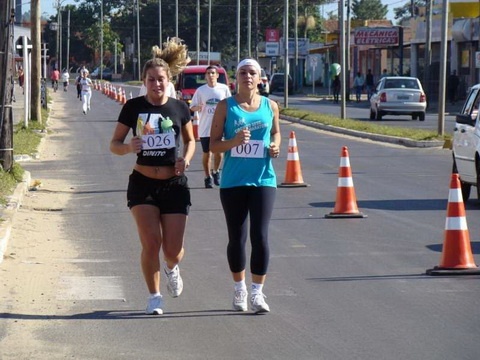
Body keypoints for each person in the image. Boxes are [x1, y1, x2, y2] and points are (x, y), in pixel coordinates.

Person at [109, 37, 194, 316]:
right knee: (151, 243)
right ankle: (154, 296)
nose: (156, 84)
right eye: (151, 80)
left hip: (173, 184)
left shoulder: (179, 108)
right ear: (144, 81)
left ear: (169, 80)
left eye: (161, 79)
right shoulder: (133, 107)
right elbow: (114, 144)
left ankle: (172, 267)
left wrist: (187, 159)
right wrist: (127, 148)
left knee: (172, 250)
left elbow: (190, 141)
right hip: (143, 183)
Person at [210, 58, 281, 314]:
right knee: (237, 238)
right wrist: (234, 141)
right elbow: (213, 145)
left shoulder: (270, 105)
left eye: (252, 73)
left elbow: (275, 132)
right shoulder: (225, 107)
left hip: (263, 179)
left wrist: (276, 145)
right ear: (235, 78)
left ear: (260, 78)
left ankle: (257, 293)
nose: (247, 77)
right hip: (233, 181)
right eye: (242, 73)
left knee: (260, 236)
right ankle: (239, 288)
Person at [190, 65, 231, 188]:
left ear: (217, 75)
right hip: (205, 127)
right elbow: (192, 107)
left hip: (220, 127)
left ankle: (216, 171)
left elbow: (230, 105)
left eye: (213, 73)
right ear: (205, 76)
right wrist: (199, 107)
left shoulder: (223, 89)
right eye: (208, 73)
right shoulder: (201, 90)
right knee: (207, 153)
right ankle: (207, 177)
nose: (211, 75)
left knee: (219, 152)